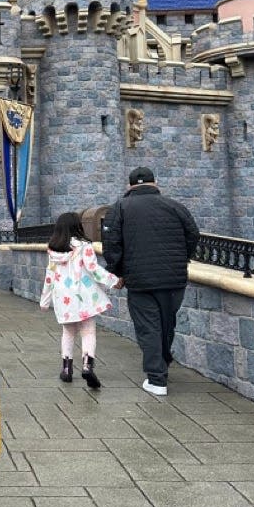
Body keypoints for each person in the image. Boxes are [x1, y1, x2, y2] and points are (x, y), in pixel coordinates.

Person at [102, 166, 199, 398]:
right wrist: (181, 259)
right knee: (167, 324)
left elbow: (111, 243)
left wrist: (117, 271)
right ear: (155, 184)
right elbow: (193, 234)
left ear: (130, 186)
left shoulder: (120, 208)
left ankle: (157, 379)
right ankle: (163, 362)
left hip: (140, 280)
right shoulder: (175, 206)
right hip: (174, 280)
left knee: (149, 328)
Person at [39, 211, 120, 390]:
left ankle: (66, 369)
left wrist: (44, 300)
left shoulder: (53, 250)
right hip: (84, 297)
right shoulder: (84, 246)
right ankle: (87, 365)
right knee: (88, 332)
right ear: (78, 227)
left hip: (63, 299)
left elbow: (49, 276)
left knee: (68, 333)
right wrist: (113, 281)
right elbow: (93, 269)